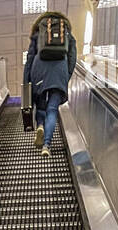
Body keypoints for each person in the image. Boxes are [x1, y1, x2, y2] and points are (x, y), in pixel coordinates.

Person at [22, 11, 78, 154]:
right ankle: (47, 145)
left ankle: (40, 125)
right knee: (52, 109)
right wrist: (67, 75)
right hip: (59, 73)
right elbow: (72, 58)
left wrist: (26, 80)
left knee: (40, 106)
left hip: (39, 72)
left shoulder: (38, 34)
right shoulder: (67, 35)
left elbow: (29, 59)